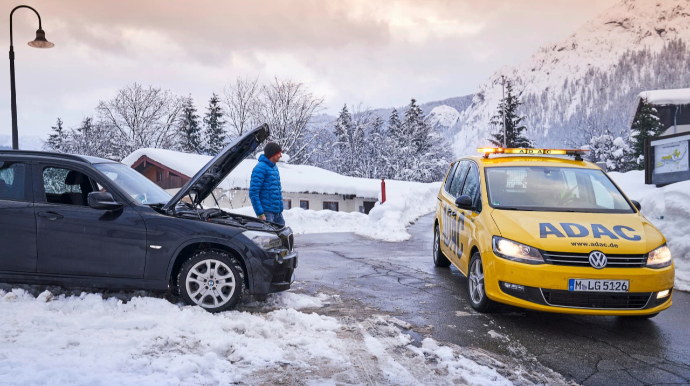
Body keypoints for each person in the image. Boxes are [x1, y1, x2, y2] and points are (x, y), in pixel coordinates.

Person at [249, 142, 285, 226]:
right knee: (269, 238)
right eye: (279, 153)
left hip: (278, 213)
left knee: (282, 237)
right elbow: (253, 193)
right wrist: (260, 214)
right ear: (273, 154)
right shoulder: (260, 168)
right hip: (267, 214)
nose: (281, 155)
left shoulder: (274, 167)